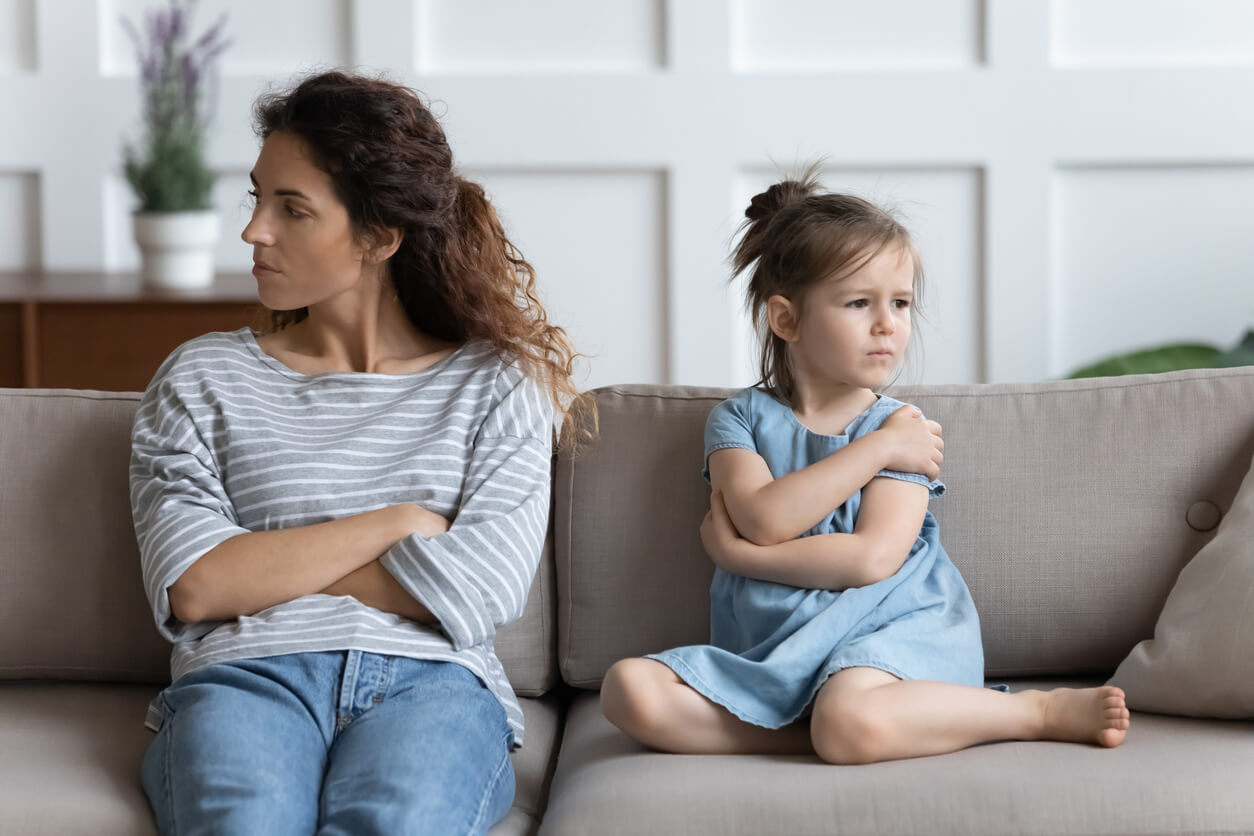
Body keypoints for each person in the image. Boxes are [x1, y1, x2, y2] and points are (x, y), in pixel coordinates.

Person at [130, 70, 588, 835]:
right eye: (257, 198)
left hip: (435, 688)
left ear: (380, 236)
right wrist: (397, 522)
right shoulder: (202, 377)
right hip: (245, 681)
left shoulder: (496, 384)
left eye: (292, 208)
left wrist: (268, 569)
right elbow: (198, 587)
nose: (253, 232)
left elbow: (479, 592)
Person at [600, 171, 1130, 763]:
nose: (888, 324)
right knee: (629, 690)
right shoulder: (738, 420)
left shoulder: (901, 428)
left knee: (850, 711)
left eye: (900, 303)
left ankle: (1031, 711)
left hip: (889, 635)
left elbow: (873, 558)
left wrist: (739, 557)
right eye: (859, 303)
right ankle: (818, 731)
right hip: (775, 653)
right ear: (786, 320)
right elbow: (765, 518)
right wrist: (867, 459)